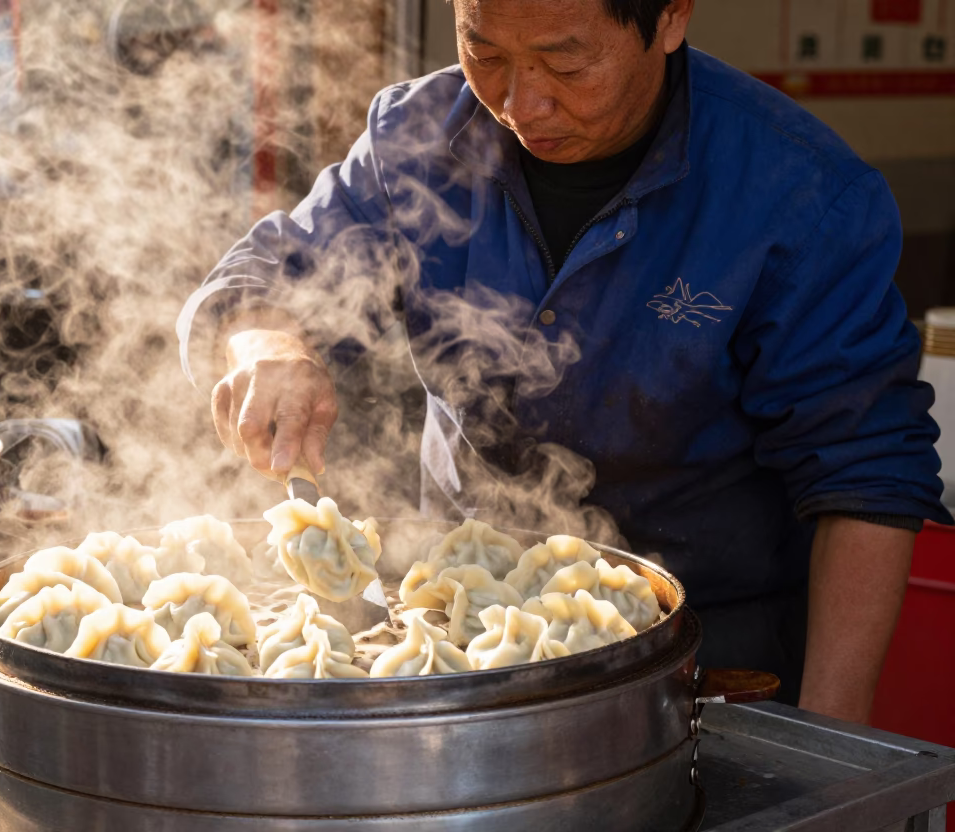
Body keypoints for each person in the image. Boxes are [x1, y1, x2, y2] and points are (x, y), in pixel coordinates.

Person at [177, 0, 951, 724]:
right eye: (483, 52)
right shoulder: (414, 138)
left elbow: (864, 476)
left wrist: (826, 745)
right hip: (453, 652)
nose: (520, 103)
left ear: (672, 15)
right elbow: (264, 275)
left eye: (567, 66)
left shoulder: (800, 193)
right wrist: (267, 345)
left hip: (705, 672)